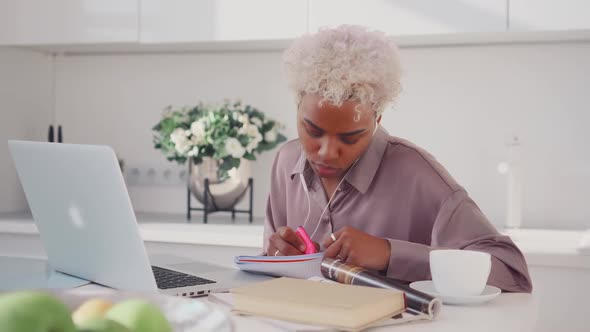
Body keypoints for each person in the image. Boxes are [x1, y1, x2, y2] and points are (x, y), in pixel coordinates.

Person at [263, 25, 532, 292]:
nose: (326, 153)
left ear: (377, 119)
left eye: (350, 138)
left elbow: (510, 269)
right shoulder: (286, 162)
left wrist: (389, 254)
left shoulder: (417, 174)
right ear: (297, 108)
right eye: (312, 130)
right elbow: (270, 272)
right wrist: (276, 258)